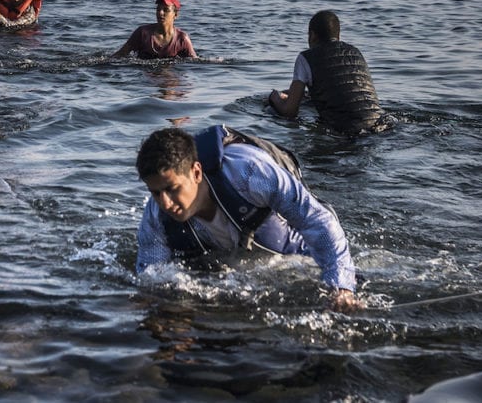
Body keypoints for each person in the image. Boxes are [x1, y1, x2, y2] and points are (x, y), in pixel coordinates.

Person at [134, 125, 362, 312]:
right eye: (155, 192)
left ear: (195, 173)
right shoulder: (155, 218)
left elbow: (317, 221)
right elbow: (152, 277)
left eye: (172, 189)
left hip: (284, 233)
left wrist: (342, 288)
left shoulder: (251, 173)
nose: (164, 203)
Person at [269, 10, 387, 135]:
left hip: (346, 131)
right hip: (381, 125)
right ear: (338, 35)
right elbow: (345, 91)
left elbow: (290, 112)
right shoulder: (355, 52)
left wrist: (274, 97)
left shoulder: (306, 58)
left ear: (312, 35)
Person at [114, 0, 198, 59]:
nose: (160, 13)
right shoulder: (143, 33)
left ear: (175, 15)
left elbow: (195, 62)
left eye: (166, 10)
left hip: (170, 76)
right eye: (158, 9)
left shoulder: (182, 39)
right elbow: (121, 54)